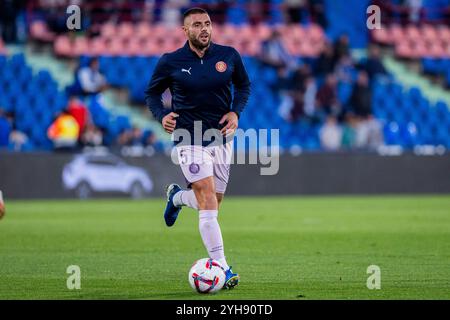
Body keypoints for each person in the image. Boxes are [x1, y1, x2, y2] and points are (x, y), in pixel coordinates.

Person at [145, 7, 251, 290]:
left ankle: (178, 198)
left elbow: (243, 86)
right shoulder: (171, 61)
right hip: (187, 136)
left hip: (221, 138)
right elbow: (152, 93)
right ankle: (224, 268)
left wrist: (236, 112)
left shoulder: (228, 56)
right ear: (185, 30)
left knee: (213, 201)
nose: (204, 29)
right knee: (206, 197)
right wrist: (161, 115)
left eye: (207, 24)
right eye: (197, 25)